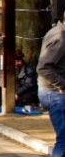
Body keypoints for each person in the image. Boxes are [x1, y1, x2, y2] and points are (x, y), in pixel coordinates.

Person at [36, 20, 64, 157]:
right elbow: (43, 67)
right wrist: (63, 84)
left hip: (50, 91)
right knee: (63, 139)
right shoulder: (60, 38)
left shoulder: (54, 32)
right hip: (55, 93)